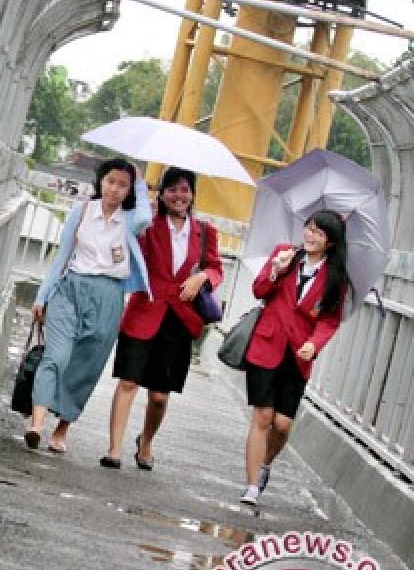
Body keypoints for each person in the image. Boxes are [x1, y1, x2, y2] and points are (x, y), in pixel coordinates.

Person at [25, 158, 152, 452]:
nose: (115, 189)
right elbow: (62, 256)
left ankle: (61, 430)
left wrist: (143, 183)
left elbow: (146, 219)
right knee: (56, 355)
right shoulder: (82, 211)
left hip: (109, 295)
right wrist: (42, 296)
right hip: (70, 288)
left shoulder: (130, 219)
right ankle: (37, 423)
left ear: (130, 189)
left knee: (87, 365)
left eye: (123, 184)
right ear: (100, 181)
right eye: (110, 181)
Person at [103, 167, 223, 469]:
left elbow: (216, 268)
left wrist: (203, 278)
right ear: (162, 193)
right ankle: (114, 448)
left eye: (184, 189)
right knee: (128, 382)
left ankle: (146, 441)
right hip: (144, 312)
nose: (178, 196)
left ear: (193, 194)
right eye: (172, 189)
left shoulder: (206, 232)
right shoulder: (149, 225)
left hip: (179, 319)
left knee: (159, 396)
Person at [240, 210, 349, 507]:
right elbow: (258, 290)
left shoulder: (336, 278)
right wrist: (275, 270)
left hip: (299, 354)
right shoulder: (285, 255)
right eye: (309, 228)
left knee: (283, 425)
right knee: (262, 417)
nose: (311, 236)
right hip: (267, 345)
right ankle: (251, 486)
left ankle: (263, 465)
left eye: (320, 233)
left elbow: (329, 320)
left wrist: (314, 345)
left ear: (331, 242)